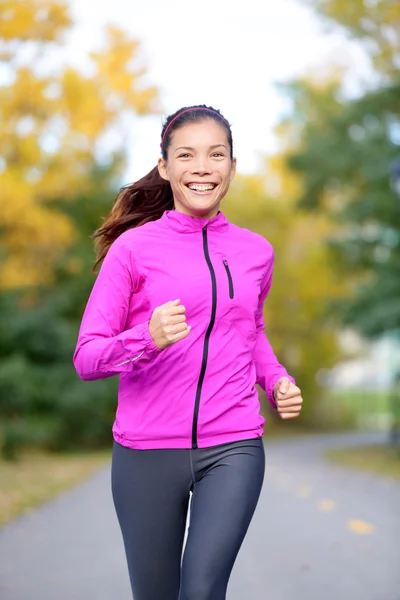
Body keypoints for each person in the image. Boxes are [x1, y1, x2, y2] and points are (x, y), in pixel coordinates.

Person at [73, 104, 303, 600]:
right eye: (187, 155)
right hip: (145, 450)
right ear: (165, 167)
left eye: (216, 154)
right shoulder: (133, 249)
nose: (203, 167)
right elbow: (88, 357)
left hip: (234, 443)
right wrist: (146, 338)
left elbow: (251, 331)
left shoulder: (255, 251)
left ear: (232, 167)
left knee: (201, 591)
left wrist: (276, 378)